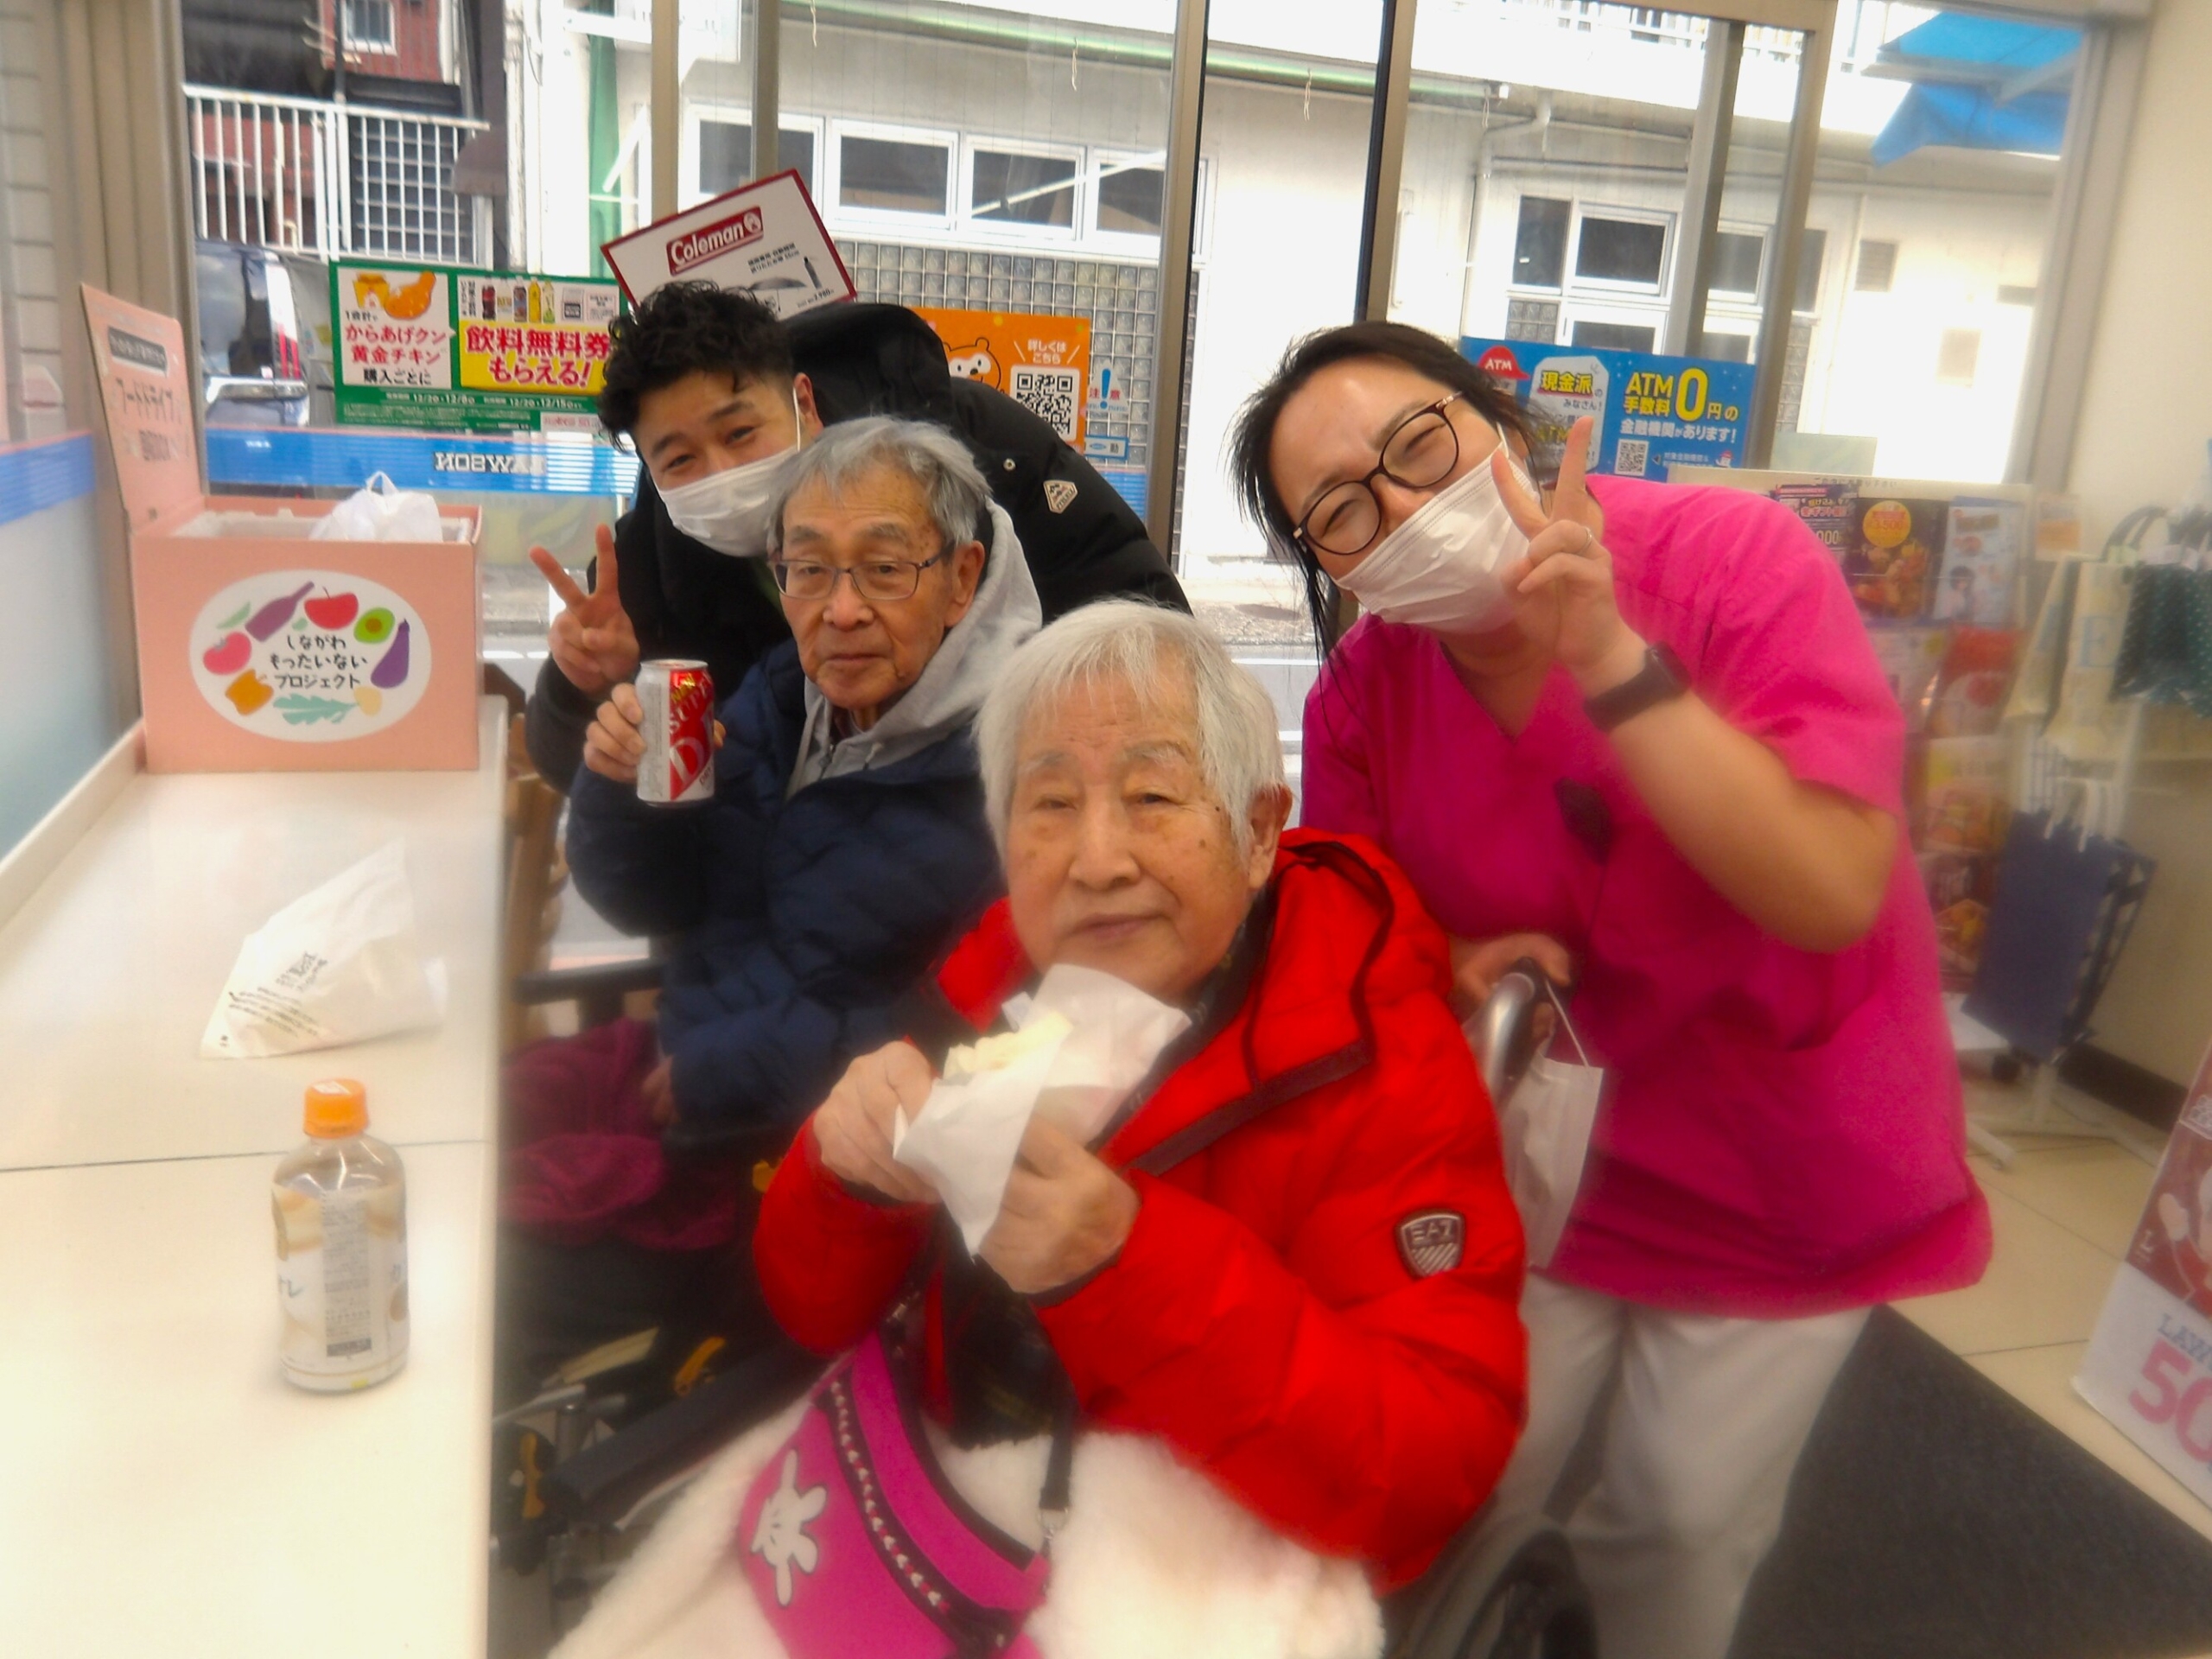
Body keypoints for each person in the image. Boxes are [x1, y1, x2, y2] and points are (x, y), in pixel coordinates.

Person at [1227, 320, 1992, 1659]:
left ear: (1500, 424)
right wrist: (1442, 963)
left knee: (1677, 1524)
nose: (1401, 507)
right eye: (1342, 513)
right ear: (1327, 566)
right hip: (1538, 1143)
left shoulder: (1727, 562)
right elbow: (1359, 904)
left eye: (1418, 448)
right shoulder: (1367, 687)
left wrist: (1608, 663)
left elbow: (1825, 888)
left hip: (1774, 1140)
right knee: (1479, 1467)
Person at [752, 601, 1528, 1594]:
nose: (1098, 859)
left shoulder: (1369, 1053)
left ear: (1255, 833)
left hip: (1200, 1569)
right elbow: (811, 1313)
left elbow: (1426, 1468)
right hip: (950, 1525)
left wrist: (1124, 1265)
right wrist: (842, 1181)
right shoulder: (988, 988)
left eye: (1153, 798)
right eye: (1050, 805)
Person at [495, 416, 1039, 1401]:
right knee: (456, 1133)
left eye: (883, 568)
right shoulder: (781, 698)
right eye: (807, 570)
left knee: (483, 1265)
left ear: (963, 580)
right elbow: (648, 896)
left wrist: (721, 1067)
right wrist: (618, 781)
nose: (839, 611)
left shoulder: (1016, 780)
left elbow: (976, 1041)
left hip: (785, 1160)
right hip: (683, 1067)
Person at [524, 283, 1185, 789]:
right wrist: (585, 685)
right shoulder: (644, 563)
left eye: (740, 433)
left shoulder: (971, 450)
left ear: (803, 403)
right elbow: (569, 769)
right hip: (783, 879)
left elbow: (1147, 628)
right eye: (680, 460)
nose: (722, 474)